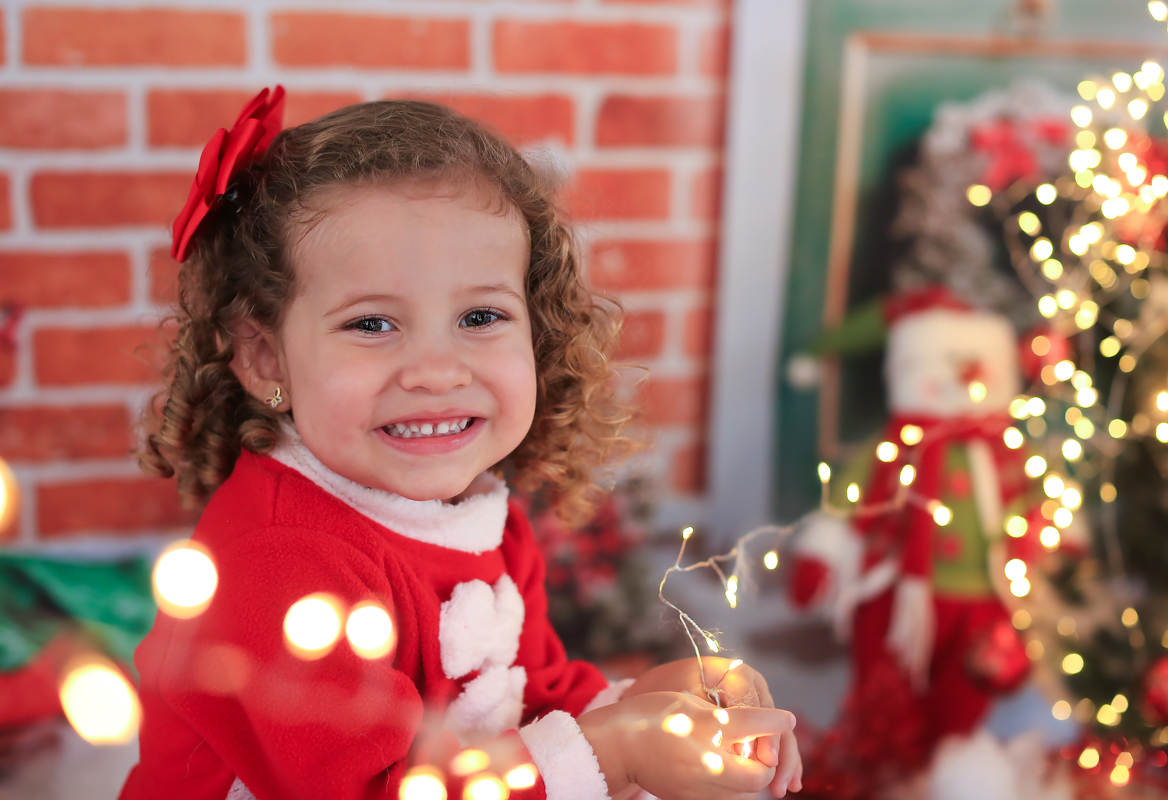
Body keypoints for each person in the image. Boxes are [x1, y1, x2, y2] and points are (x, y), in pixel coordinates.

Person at [118, 87, 802, 800]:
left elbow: (529, 697)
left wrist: (645, 707)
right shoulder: (274, 566)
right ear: (265, 359)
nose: (437, 372)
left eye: (480, 315)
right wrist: (612, 753)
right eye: (372, 324)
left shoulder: (476, 512)